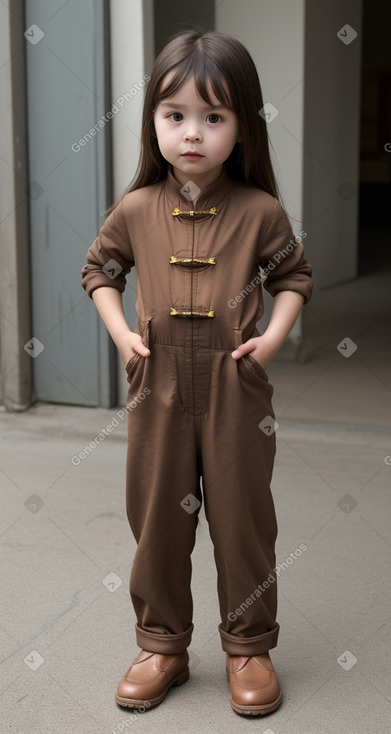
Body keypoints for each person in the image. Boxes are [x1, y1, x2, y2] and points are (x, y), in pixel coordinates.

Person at [81, 28, 313, 717]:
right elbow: (101, 269)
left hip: (235, 393)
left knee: (243, 519)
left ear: (241, 127)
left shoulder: (259, 211)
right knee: (156, 518)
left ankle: (249, 646)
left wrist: (269, 339)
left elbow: (293, 276)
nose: (192, 133)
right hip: (156, 391)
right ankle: (163, 646)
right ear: (151, 118)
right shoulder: (135, 209)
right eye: (174, 115)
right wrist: (123, 332)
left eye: (213, 117)